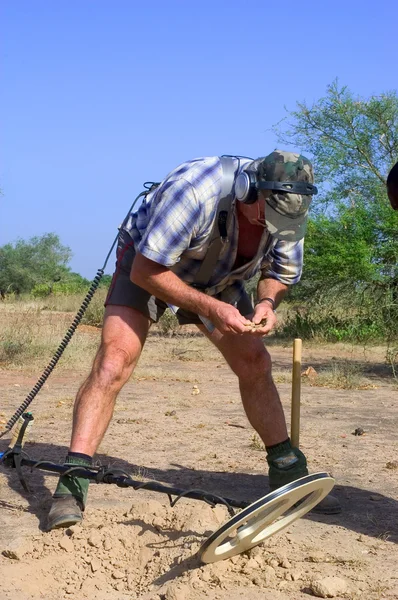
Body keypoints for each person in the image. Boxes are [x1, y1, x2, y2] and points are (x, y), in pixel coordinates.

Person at [47, 151, 341, 530]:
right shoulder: (194, 192)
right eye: (271, 217)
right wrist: (212, 309)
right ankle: (71, 484)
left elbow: (279, 272)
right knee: (114, 361)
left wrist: (267, 301)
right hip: (150, 267)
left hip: (221, 278)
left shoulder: (289, 212)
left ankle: (287, 471)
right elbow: (146, 270)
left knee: (255, 361)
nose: (278, 227)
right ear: (248, 191)